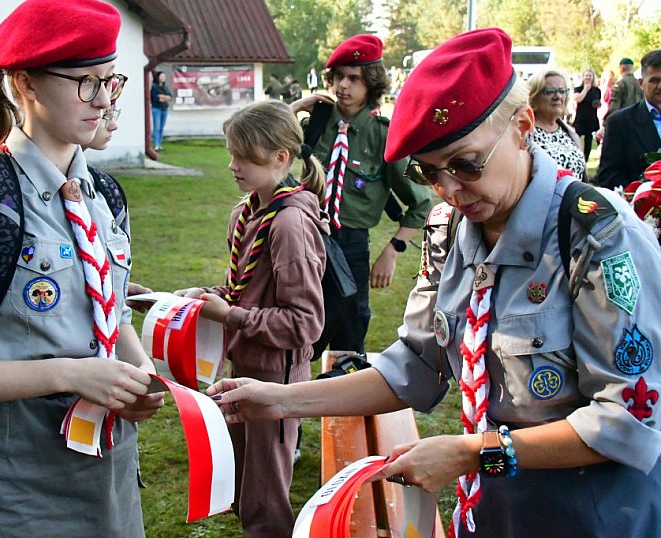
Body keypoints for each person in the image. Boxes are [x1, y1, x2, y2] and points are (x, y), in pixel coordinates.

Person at [207, 28, 661, 538]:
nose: (448, 189)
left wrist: (475, 454)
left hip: (592, 518)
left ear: (522, 127)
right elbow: (417, 364)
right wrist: (281, 399)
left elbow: (627, 421)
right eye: (426, 172)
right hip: (492, 511)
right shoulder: (449, 231)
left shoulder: (597, 235)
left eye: (466, 164)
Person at [0, 1, 163, 535]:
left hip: (109, 482)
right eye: (85, 83)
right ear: (25, 83)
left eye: (110, 81)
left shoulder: (103, 196)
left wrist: (141, 376)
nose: (104, 101)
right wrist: (69, 373)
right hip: (17, 494)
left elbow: (111, 314)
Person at [174, 100, 328, 537]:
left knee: (265, 502)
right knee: (243, 490)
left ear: (280, 157)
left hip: (277, 378)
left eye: (244, 156)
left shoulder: (290, 224)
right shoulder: (245, 214)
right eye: (231, 153)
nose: (232, 165)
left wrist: (232, 315)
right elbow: (243, 290)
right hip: (244, 367)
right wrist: (206, 298)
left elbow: (304, 324)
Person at [290, 34, 431, 354]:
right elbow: (264, 146)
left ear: (371, 83)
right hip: (304, 237)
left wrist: (392, 251)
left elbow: (422, 202)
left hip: (350, 246)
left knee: (348, 336)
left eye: (354, 78)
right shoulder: (316, 123)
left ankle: (340, 384)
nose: (343, 85)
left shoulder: (385, 135)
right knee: (293, 328)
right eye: (338, 76)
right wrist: (295, 107)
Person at [597, 50, 661, 190]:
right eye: (654, 81)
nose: (660, 86)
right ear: (641, 83)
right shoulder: (619, 123)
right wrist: (641, 194)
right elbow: (608, 176)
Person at [527, 69, 587, 181]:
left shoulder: (569, 132)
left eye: (562, 91)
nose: (558, 96)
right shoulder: (525, 134)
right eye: (549, 91)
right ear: (533, 97)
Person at [572, 68, 601, 163]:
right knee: (575, 137)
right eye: (586, 75)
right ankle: (576, 157)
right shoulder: (578, 89)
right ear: (583, 77)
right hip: (580, 118)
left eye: (590, 75)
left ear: (593, 77)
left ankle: (586, 160)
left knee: (589, 141)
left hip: (591, 119)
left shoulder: (597, 90)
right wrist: (585, 89)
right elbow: (578, 99)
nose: (588, 77)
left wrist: (597, 104)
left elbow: (597, 102)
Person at [150, 70, 171, 151]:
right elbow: (156, 99)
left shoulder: (165, 87)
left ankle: (160, 143)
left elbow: (170, 97)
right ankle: (156, 144)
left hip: (164, 109)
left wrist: (162, 96)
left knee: (161, 127)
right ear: (158, 77)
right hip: (156, 109)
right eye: (162, 76)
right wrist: (164, 97)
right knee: (157, 127)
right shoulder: (154, 87)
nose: (163, 78)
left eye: (164, 76)